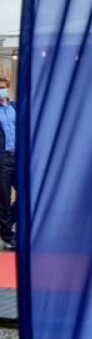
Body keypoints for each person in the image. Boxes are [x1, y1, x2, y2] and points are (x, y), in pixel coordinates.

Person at [0, 77, 15, 251]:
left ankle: (8, 223)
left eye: (3, 87)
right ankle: (7, 237)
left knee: (26, 196)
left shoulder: (15, 108)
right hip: (3, 159)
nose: (1, 90)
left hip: (18, 157)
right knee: (4, 200)